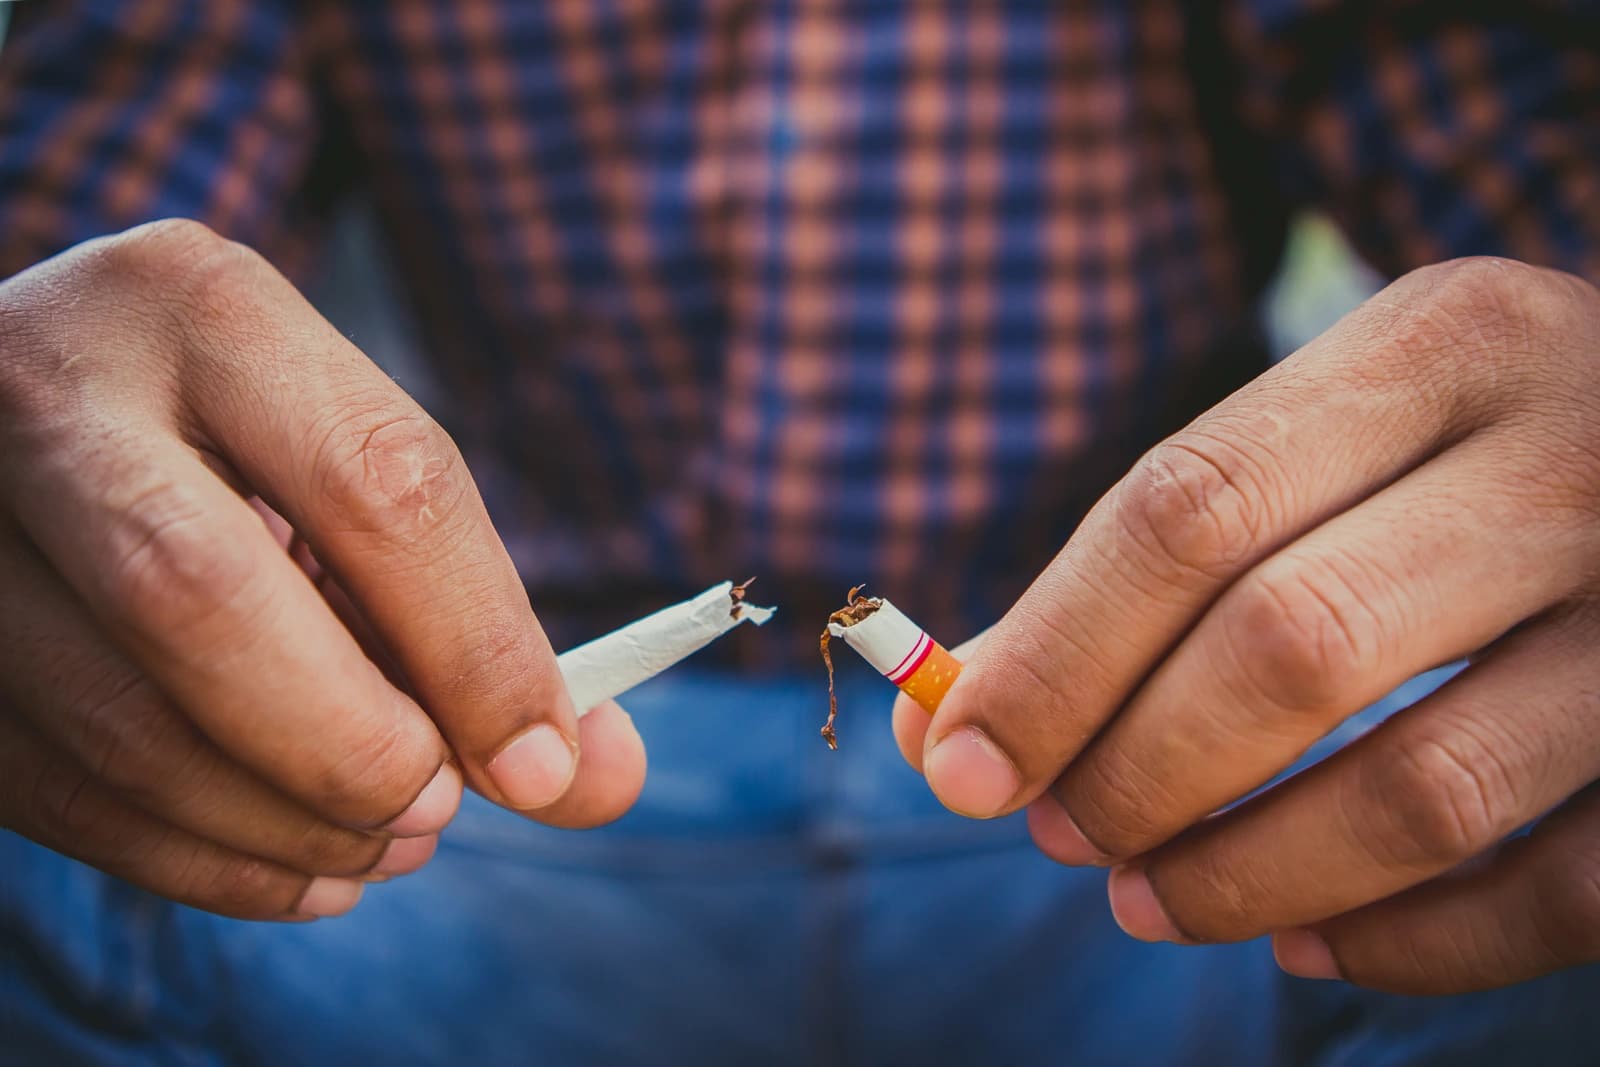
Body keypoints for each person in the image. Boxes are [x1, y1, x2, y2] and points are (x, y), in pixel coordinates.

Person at [1, 2, 1597, 1063]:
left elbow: (1522, 179)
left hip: (1164, 784)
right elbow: (88, 232)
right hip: (506, 807)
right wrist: (63, 431)